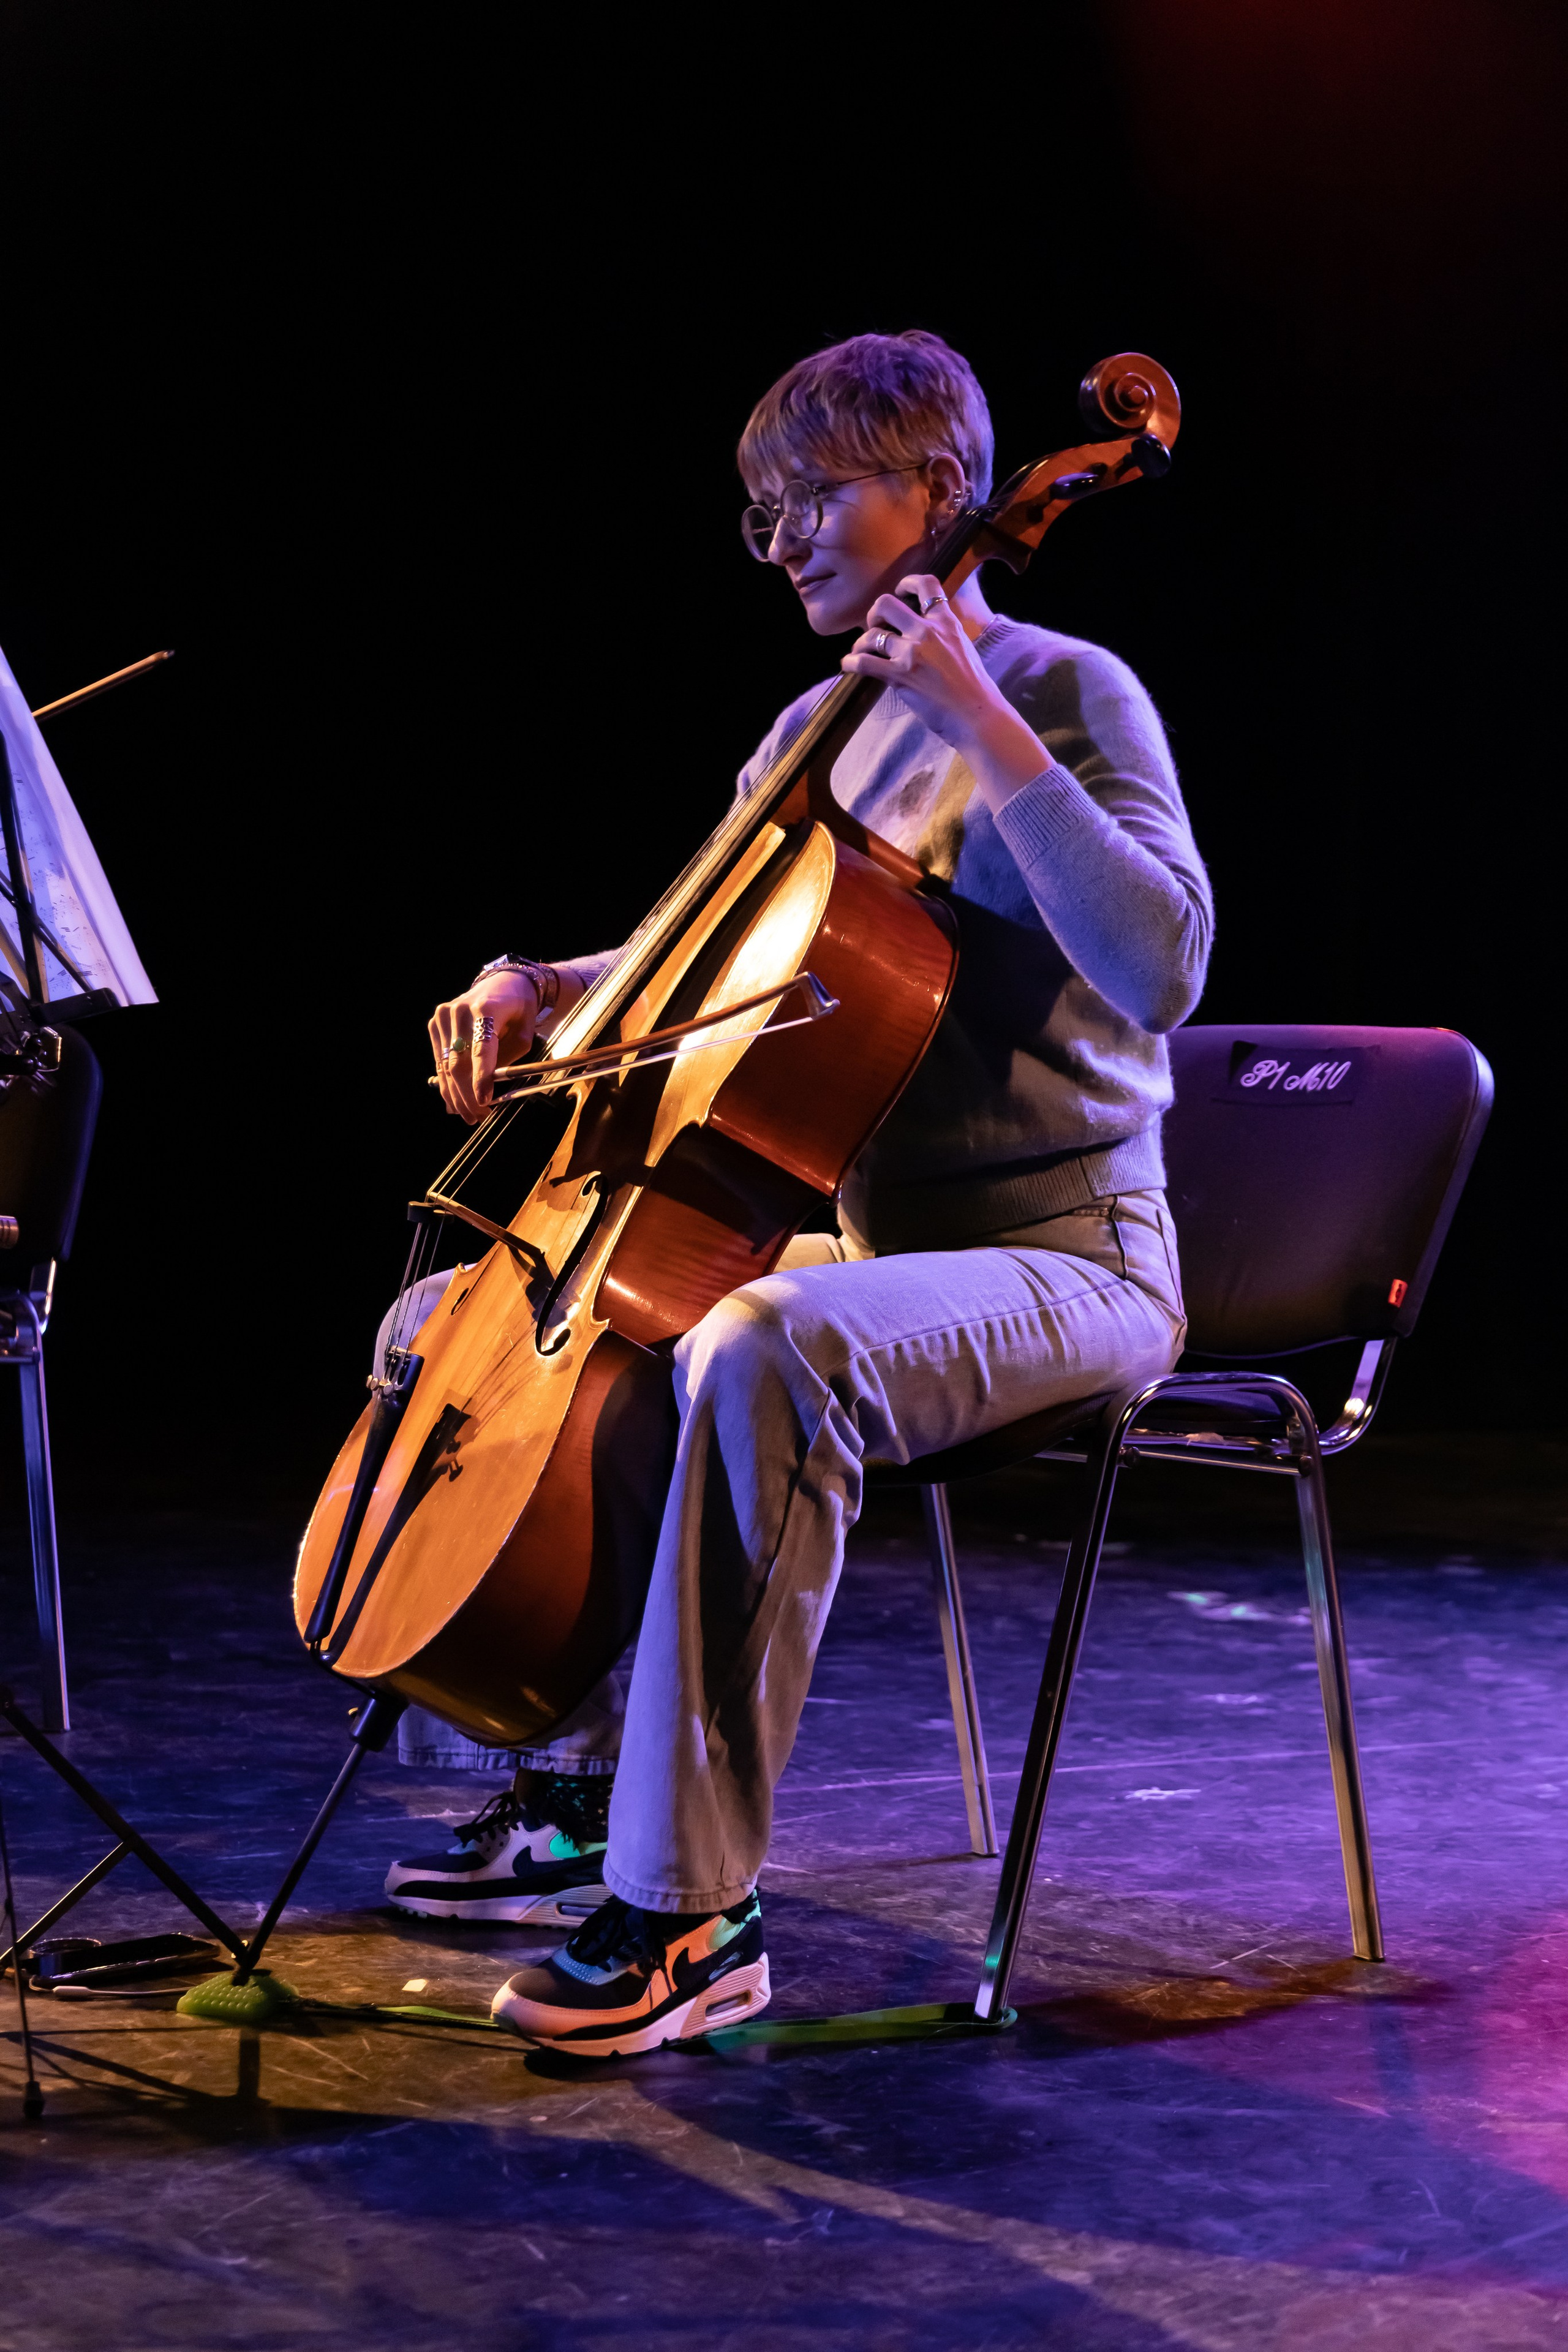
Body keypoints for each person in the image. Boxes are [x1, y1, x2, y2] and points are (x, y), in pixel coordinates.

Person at [383, 329, 1212, 2056]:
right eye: (765, 514)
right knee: (469, 1319)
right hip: (889, 1247)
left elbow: (1161, 965)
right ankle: (556, 1781)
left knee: (768, 1342)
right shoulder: (807, 729)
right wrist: (549, 984)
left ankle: (693, 1915)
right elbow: (707, 959)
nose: (788, 541)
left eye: (816, 497)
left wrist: (976, 716)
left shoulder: (1068, 690)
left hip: (1073, 1256)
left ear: (939, 490)